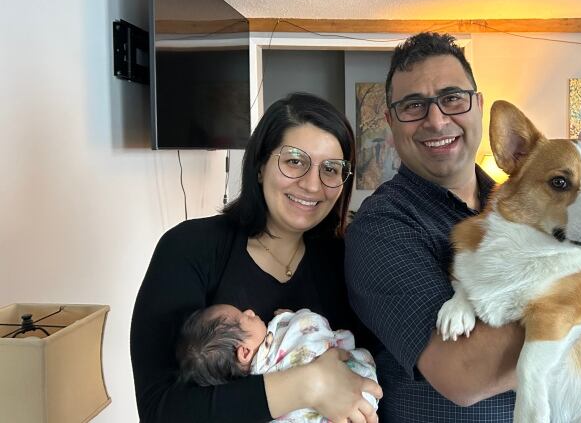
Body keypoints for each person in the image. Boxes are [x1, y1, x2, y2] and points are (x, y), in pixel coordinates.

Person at [131, 92, 382, 423]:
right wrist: (309, 385)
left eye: (331, 169)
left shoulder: (347, 261)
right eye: (294, 161)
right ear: (261, 166)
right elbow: (161, 410)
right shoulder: (188, 248)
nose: (311, 185)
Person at [345, 32, 525, 422]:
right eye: (414, 105)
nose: (437, 119)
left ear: (478, 105)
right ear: (391, 122)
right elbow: (464, 373)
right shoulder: (383, 225)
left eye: (452, 98)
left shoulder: (519, 208)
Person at [176, 305, 379, 422]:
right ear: (245, 352)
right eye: (242, 318)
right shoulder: (278, 342)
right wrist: (290, 318)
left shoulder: (257, 403)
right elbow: (309, 327)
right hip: (357, 388)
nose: (249, 311)